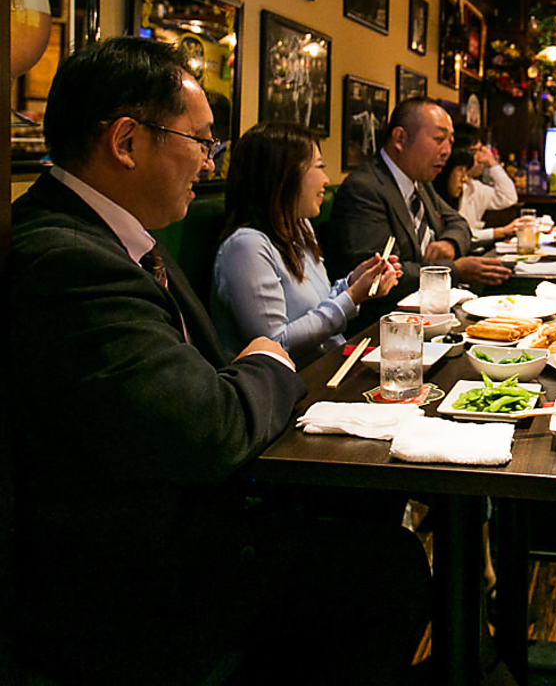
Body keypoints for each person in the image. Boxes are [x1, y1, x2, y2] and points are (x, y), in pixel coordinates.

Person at [9, 38, 430, 685]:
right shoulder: (65, 259)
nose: (209, 163)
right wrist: (264, 361)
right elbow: (206, 426)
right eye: (201, 142)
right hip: (121, 577)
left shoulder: (114, 236)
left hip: (174, 518)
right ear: (126, 141)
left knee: (370, 517)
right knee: (389, 570)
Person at [210, 121, 400, 367]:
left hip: (330, 364)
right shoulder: (246, 247)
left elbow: (320, 304)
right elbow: (275, 343)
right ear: (283, 176)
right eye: (319, 167)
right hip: (292, 388)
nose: (326, 179)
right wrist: (352, 297)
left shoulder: (300, 228)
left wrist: (353, 282)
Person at [322, 97, 509, 323]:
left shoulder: (419, 182)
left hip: (433, 314)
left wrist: (449, 243)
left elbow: (458, 222)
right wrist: (452, 270)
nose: (447, 151)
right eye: (439, 139)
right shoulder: (364, 189)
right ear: (400, 138)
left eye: (450, 141)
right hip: (386, 324)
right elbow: (383, 275)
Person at [451, 122, 523, 243]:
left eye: (482, 150)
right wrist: (500, 232)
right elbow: (459, 234)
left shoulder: (474, 186)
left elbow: (509, 197)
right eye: (475, 151)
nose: (481, 158)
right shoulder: (451, 187)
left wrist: (492, 162)